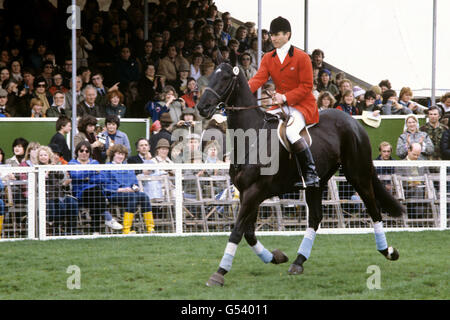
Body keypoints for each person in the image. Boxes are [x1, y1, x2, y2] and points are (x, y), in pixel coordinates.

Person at [248, 16, 319, 188]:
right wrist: (242, 92)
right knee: (262, 126)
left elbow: (307, 86)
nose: (273, 38)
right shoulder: (268, 57)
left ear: (288, 34)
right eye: (271, 35)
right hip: (279, 105)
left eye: (277, 34)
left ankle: (311, 173)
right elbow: (258, 79)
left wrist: (285, 97)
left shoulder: (302, 57)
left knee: (291, 132)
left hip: (301, 105)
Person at [68, 141, 123, 233]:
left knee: (95, 195)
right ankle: (107, 219)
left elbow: (102, 178)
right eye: (81, 151)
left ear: (90, 153)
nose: (84, 153)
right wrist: (92, 171)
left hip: (95, 194)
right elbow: (75, 176)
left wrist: (86, 178)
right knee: (96, 193)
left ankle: (96, 232)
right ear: (77, 152)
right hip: (81, 194)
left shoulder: (95, 162)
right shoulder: (72, 163)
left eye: (87, 151)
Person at [100, 144, 154, 234]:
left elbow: (134, 183)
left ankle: (150, 228)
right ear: (113, 155)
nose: (120, 156)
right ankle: (127, 229)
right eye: (118, 154)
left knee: (144, 196)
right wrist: (120, 190)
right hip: (115, 194)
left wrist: (135, 188)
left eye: (122, 154)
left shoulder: (128, 167)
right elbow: (104, 185)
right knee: (132, 198)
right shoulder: (107, 167)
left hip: (130, 193)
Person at [36, 145, 80, 235]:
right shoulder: (37, 168)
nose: (43, 157)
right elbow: (43, 179)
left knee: (72, 202)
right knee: (55, 207)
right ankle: (54, 228)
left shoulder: (55, 166)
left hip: (59, 194)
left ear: (49, 157)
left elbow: (61, 176)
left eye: (45, 155)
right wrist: (48, 170)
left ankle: (71, 229)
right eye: (41, 155)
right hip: (46, 196)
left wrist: (55, 168)